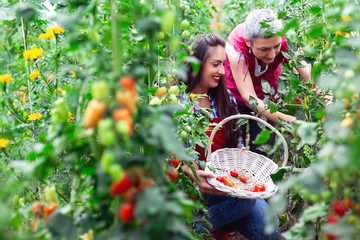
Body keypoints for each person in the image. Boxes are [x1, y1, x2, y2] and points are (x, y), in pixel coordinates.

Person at [180, 33, 279, 240]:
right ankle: (193, 229)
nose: (221, 71)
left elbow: (238, 139)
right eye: (215, 64)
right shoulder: (180, 104)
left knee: (268, 228)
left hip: (228, 179)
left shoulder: (226, 99)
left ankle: (206, 223)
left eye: (223, 64)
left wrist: (240, 150)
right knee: (244, 201)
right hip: (198, 183)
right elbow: (180, 154)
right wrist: (193, 171)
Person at [224, 9, 311, 154]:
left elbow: (308, 74)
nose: (272, 55)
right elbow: (249, 98)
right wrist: (289, 121)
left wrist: (326, 99)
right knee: (234, 148)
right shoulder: (235, 45)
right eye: (264, 49)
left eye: (276, 46)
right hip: (237, 95)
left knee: (263, 149)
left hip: (267, 95)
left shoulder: (285, 36)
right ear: (248, 42)